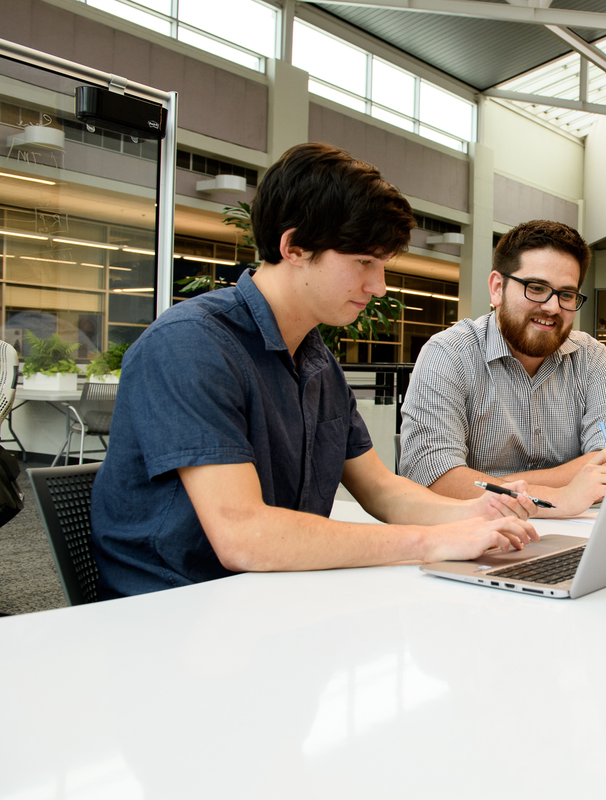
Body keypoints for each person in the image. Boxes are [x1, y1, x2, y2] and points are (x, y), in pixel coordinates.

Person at [89, 143, 537, 599]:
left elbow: (382, 489)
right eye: (364, 262)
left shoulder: (314, 358)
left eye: (381, 266)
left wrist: (476, 512)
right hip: (172, 612)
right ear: (294, 246)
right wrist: (433, 541)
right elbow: (244, 536)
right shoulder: (190, 344)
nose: (379, 287)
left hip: (271, 596)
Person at [397, 220, 606, 517]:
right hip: (475, 537)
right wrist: (559, 496)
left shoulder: (592, 359)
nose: (552, 307)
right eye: (536, 288)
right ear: (497, 288)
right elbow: (432, 478)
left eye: (567, 294)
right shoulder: (449, 354)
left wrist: (487, 483)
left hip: (575, 535)